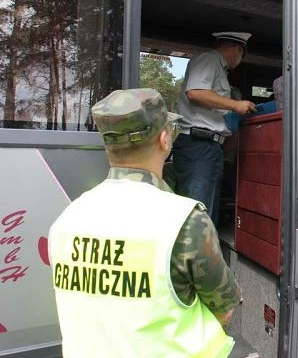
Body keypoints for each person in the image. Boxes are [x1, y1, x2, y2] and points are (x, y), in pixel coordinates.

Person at [48, 88, 241, 358]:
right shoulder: (185, 221)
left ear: (108, 143)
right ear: (164, 139)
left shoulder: (67, 218)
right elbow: (225, 308)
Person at [173, 32, 256, 228]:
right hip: (198, 146)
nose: (240, 60)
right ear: (236, 48)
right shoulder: (209, 59)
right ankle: (191, 258)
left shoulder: (218, 69)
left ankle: (203, 256)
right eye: (242, 55)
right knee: (197, 215)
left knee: (206, 213)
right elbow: (195, 92)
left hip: (208, 147)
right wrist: (235, 105)